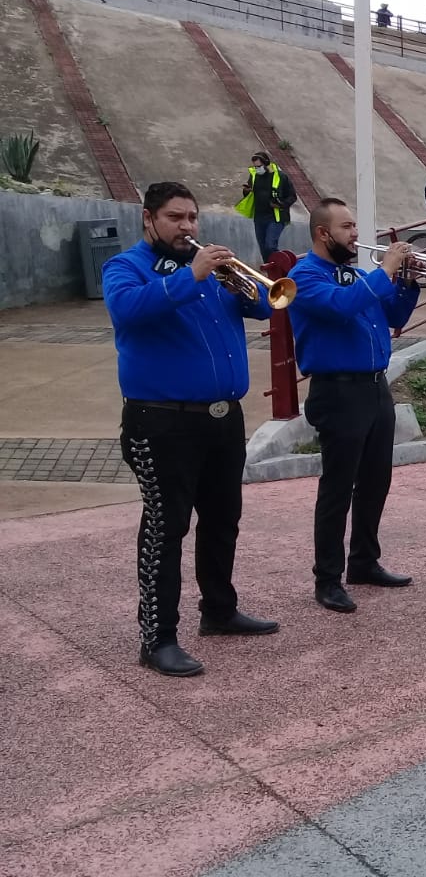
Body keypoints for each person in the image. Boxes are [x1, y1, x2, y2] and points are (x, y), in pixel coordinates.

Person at [103, 181, 279, 678]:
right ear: (149, 219)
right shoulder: (125, 268)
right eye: (176, 218)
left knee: (223, 519)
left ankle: (219, 612)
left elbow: (267, 306)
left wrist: (247, 283)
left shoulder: (209, 271)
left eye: (193, 218)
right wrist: (192, 276)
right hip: (161, 423)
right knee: (166, 529)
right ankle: (156, 639)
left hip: (224, 419)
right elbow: (128, 311)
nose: (187, 227)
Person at [288, 198, 421, 612]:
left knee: (376, 481)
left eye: (355, 226)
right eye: (347, 227)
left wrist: (410, 281)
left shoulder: (355, 273)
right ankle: (327, 578)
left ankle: (364, 561)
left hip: (375, 387)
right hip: (337, 390)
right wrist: (385, 271)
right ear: (322, 233)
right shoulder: (304, 276)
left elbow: (394, 313)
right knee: (337, 488)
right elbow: (341, 307)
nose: (356, 234)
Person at [239, 151, 297, 262]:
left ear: (266, 164)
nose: (257, 169)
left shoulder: (280, 176)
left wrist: (281, 204)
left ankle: (283, 265)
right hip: (259, 217)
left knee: (270, 245)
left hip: (276, 217)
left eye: (259, 166)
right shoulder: (254, 176)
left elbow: (292, 196)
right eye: (255, 167)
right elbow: (248, 193)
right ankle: (270, 270)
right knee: (263, 248)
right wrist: (246, 191)